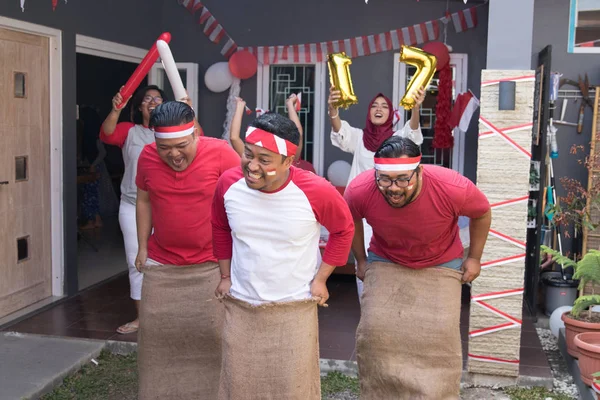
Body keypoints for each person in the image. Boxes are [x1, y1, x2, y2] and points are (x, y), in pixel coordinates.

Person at [212, 112, 354, 400]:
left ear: (288, 162)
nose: (252, 166)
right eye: (248, 155)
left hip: (294, 305)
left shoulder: (316, 191)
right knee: (240, 382)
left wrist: (322, 279)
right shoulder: (228, 183)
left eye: (264, 160)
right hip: (241, 302)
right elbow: (220, 227)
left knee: (291, 387)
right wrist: (225, 276)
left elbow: (344, 230)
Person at [343, 136, 492, 399]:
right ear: (375, 174)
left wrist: (475, 258)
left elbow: (481, 212)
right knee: (376, 332)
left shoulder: (451, 186)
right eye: (385, 180)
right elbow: (351, 218)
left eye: (403, 179)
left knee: (439, 338)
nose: (394, 188)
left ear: (419, 170)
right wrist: (361, 259)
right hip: (386, 258)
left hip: (442, 261)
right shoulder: (360, 189)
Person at [135, 101, 240, 399]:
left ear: (195, 133)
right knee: (157, 340)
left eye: (181, 146)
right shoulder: (146, 157)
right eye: (164, 148)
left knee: (213, 338)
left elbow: (245, 200)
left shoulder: (221, 153)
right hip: (162, 266)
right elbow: (143, 200)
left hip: (211, 266)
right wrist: (142, 246)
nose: (173, 155)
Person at [328, 87, 426, 298]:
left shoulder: (398, 139)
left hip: (392, 210)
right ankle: (368, 307)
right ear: (369, 112)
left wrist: (416, 109)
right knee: (364, 263)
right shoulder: (359, 138)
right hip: (363, 214)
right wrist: (332, 109)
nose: (378, 109)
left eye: (384, 106)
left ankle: (390, 305)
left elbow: (413, 133)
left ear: (391, 113)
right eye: (374, 106)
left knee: (392, 260)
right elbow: (340, 132)